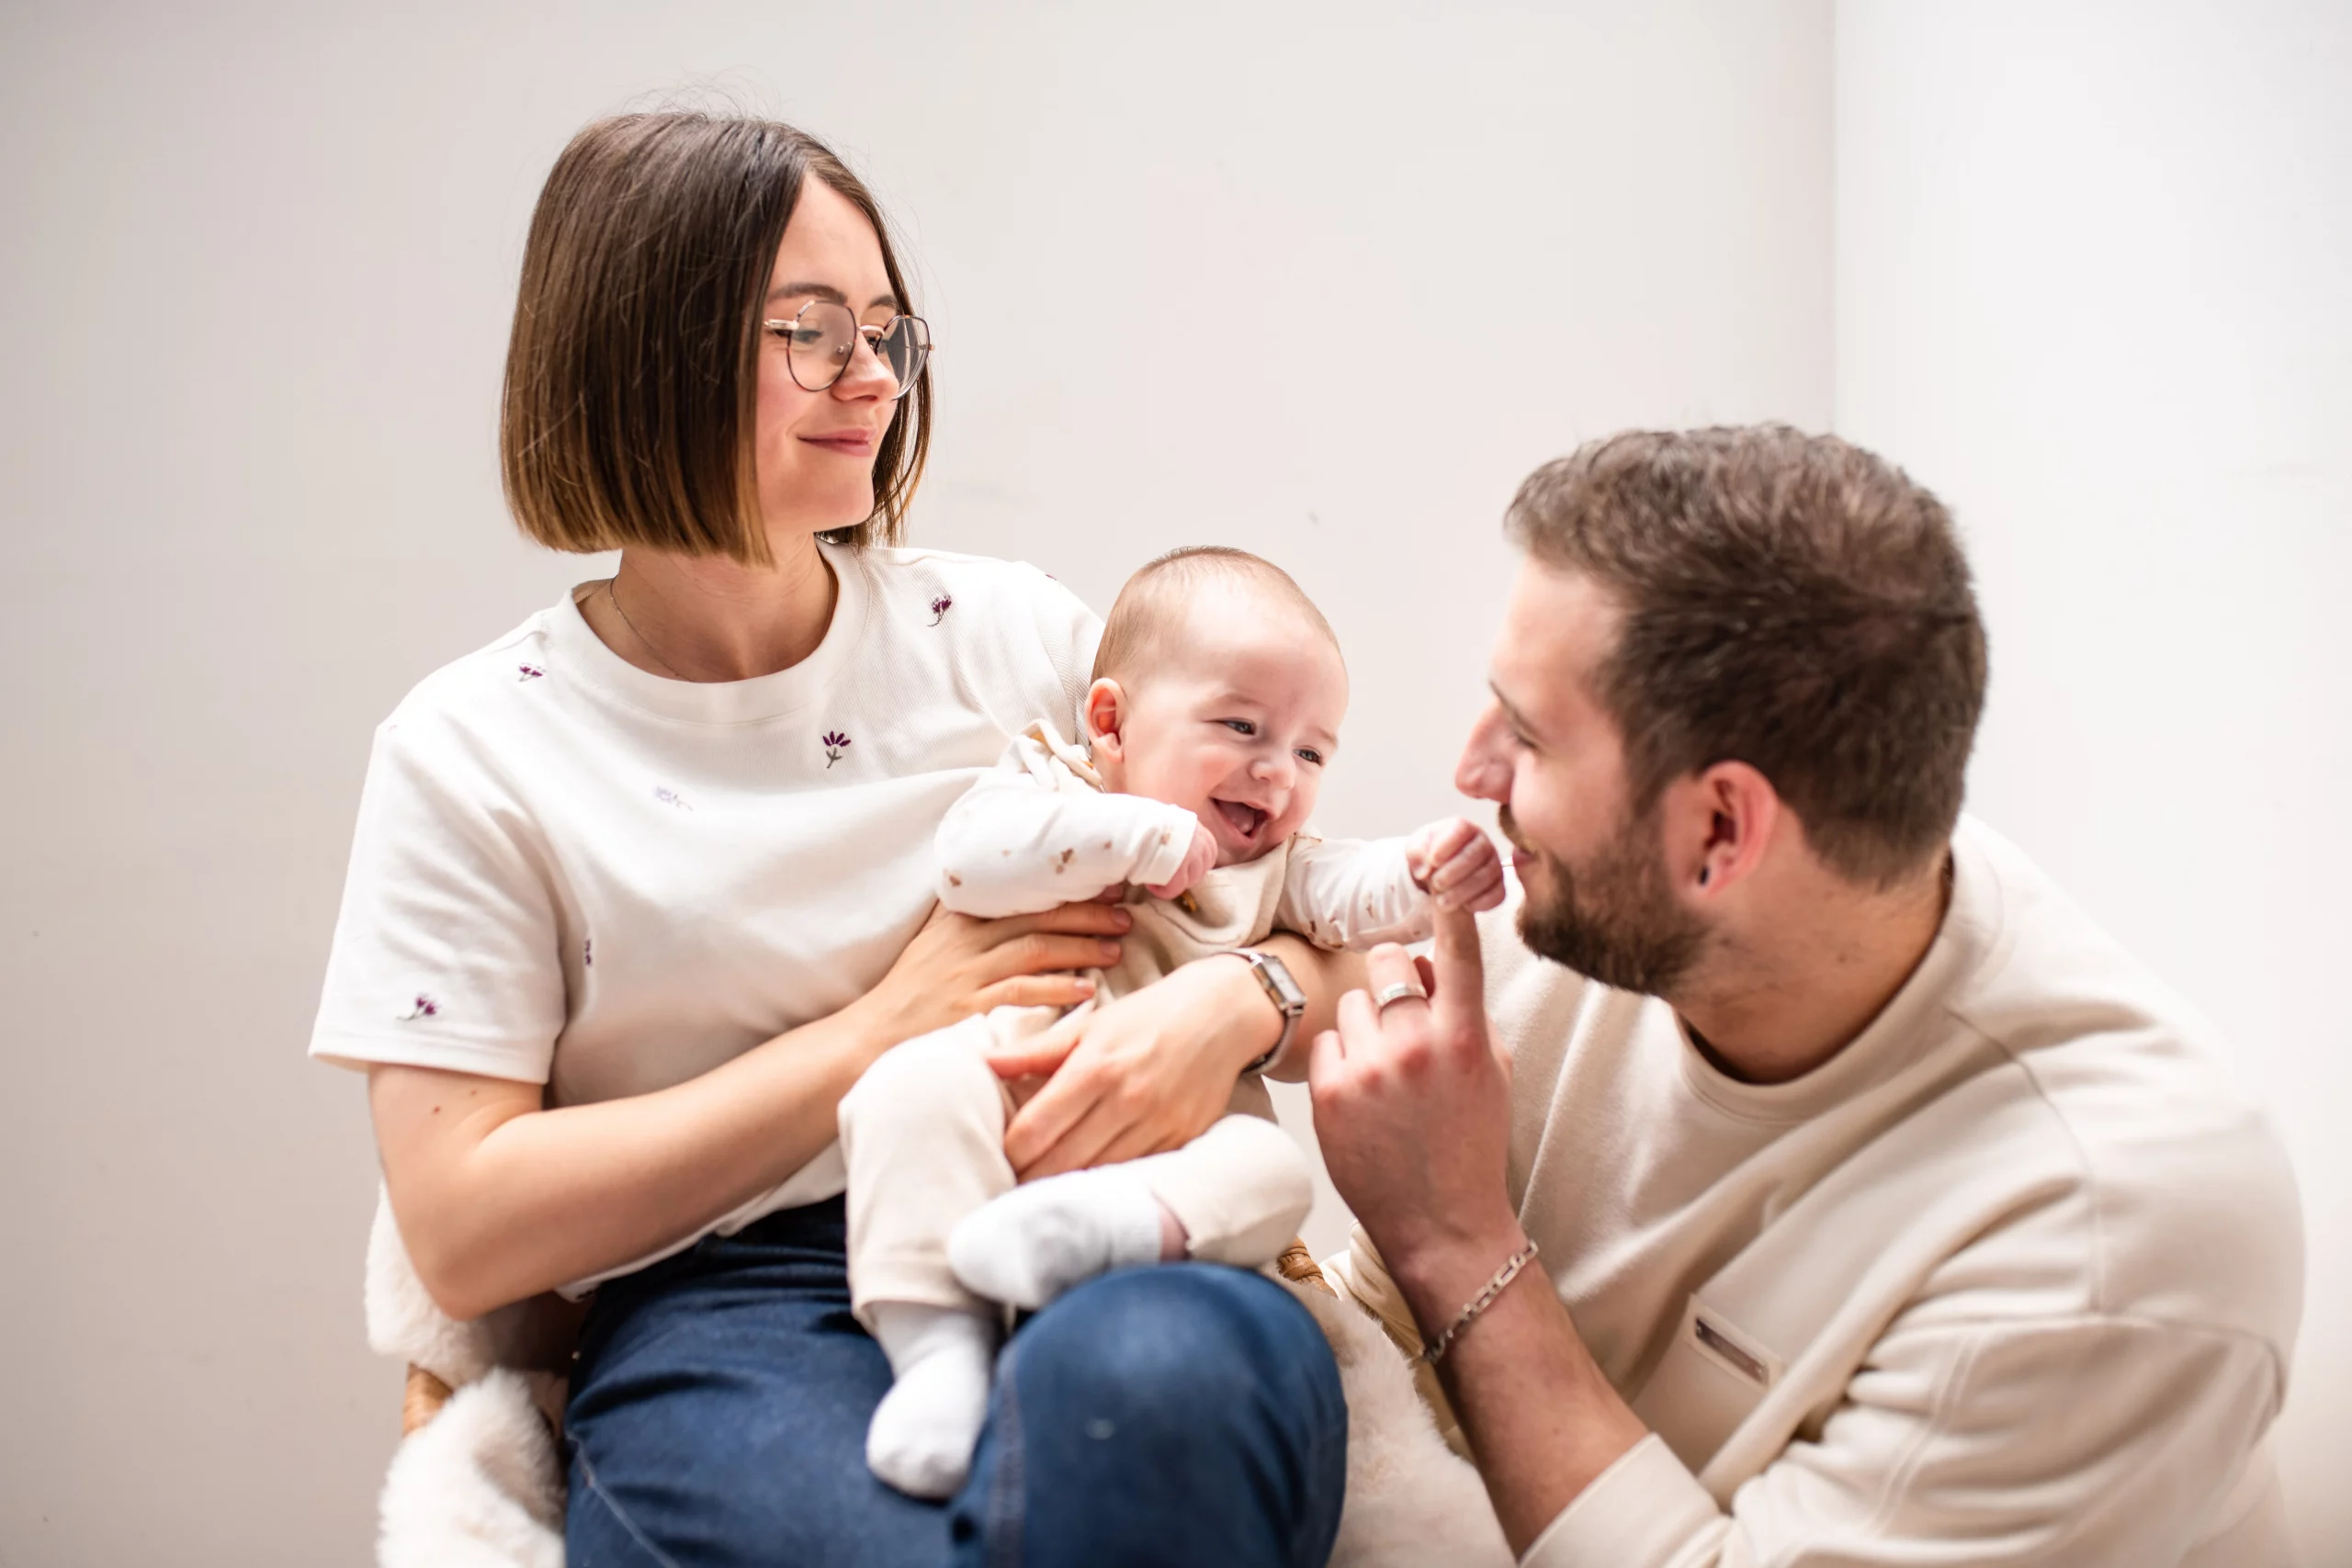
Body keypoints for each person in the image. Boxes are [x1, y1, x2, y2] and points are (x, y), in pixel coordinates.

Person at [308, 110, 1349, 1567]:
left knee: (1157, 1407)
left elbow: (1333, 921)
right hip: (737, 1297)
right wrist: (883, 1028)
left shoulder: (1023, 639)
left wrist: (1235, 1002)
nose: (869, 377)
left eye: (885, 329)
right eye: (805, 330)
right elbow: (466, 1228)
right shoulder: (474, 751)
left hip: (1106, 1211)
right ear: (638, 354)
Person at [1308, 426, 2304, 1566]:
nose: (1474, 774)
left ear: (1721, 830)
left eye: (1527, 738)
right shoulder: (1671, 904)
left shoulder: (2109, 1236)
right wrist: (1225, 1002)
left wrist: (1452, 1239)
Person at [839, 545, 1505, 1498]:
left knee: (1272, 1172)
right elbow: (967, 859)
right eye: (1242, 728)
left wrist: (1422, 870)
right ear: (1110, 721)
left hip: (1175, 1142)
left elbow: (1353, 896)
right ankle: (937, 1349)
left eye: (1311, 751)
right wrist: (1127, 836)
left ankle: (1113, 1228)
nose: (1277, 775)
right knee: (902, 1092)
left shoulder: (1276, 864)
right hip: (1009, 1082)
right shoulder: (1052, 784)